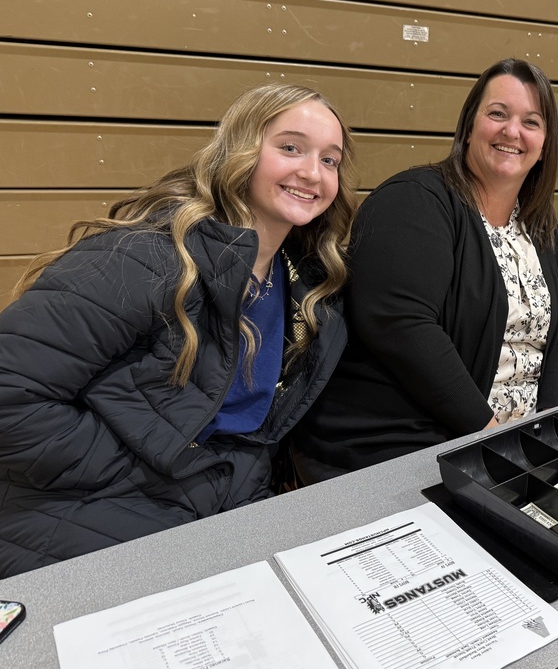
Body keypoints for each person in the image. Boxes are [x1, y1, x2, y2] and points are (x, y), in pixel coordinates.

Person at [0, 83, 356, 577]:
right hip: (84, 518)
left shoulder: (306, 285)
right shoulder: (146, 256)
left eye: (330, 159)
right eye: (290, 147)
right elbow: (10, 392)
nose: (311, 172)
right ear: (242, 152)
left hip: (212, 516)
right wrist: (130, 473)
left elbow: (244, 436)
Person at [293, 58, 558, 480]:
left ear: (544, 145)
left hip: (514, 445)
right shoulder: (413, 200)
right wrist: (493, 440)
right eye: (497, 114)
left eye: (531, 122)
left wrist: (548, 434)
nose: (512, 131)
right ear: (468, 127)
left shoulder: (538, 220)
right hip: (407, 440)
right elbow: (401, 324)